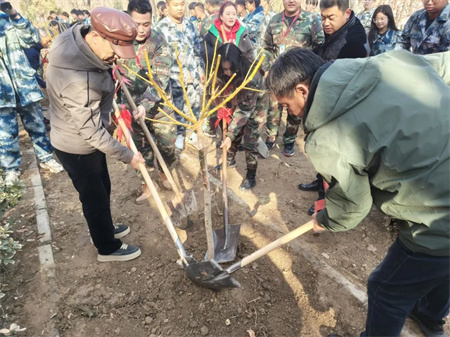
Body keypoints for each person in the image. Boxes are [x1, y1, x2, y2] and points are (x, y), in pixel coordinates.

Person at [267, 46, 450, 337]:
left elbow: (353, 205)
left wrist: (326, 220)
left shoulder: (326, 136)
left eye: (286, 105)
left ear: (302, 90)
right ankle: (430, 316)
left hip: (435, 218)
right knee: (442, 266)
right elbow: (444, 63)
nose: (288, 113)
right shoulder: (390, 63)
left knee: (386, 289)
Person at [46, 7, 144, 262]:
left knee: (104, 186)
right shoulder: (79, 81)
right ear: (98, 37)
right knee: (95, 198)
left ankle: (102, 228)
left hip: (82, 137)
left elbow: (100, 74)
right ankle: (107, 247)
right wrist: (128, 155)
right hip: (76, 146)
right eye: (114, 51)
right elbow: (90, 132)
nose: (116, 58)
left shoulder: (78, 36)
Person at [300, 0, 367, 216]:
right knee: (323, 156)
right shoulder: (336, 32)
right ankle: (320, 183)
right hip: (327, 101)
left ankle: (326, 200)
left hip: (341, 108)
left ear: (346, 13)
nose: (325, 23)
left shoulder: (354, 41)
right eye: (322, 17)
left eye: (330, 18)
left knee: (333, 157)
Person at [0, 1, 63, 186]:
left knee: (37, 126)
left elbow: (31, 38)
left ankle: (46, 158)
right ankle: (11, 169)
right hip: (2, 93)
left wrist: (13, 13)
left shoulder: (8, 21)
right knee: (5, 134)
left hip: (24, 86)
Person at [125, 0, 176, 202]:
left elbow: (160, 79)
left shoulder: (158, 40)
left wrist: (144, 105)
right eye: (137, 23)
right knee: (140, 149)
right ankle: (148, 183)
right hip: (130, 105)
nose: (141, 29)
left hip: (160, 105)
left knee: (168, 145)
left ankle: (164, 171)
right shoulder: (120, 39)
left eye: (146, 24)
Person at [262, 0, 324, 156]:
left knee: (295, 111)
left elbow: (321, 46)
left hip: (300, 77)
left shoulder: (311, 20)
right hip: (278, 76)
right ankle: (270, 138)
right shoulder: (274, 20)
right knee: (274, 108)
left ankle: (289, 140)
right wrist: (267, 69)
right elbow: (267, 48)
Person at [157, 0, 205, 150]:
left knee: (195, 105)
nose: (180, 8)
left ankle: (194, 132)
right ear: (167, 6)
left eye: (182, 4)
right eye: (176, 5)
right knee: (177, 106)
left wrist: (201, 69)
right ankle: (179, 133)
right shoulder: (161, 28)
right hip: (174, 78)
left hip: (193, 75)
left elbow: (197, 49)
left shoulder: (189, 24)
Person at [219, 44, 269, 190]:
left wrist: (229, 134)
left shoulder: (251, 78)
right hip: (238, 100)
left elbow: (244, 110)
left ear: (237, 64)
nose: (228, 73)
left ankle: (251, 176)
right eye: (225, 69)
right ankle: (229, 160)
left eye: (230, 69)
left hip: (255, 105)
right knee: (232, 131)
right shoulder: (223, 71)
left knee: (250, 139)